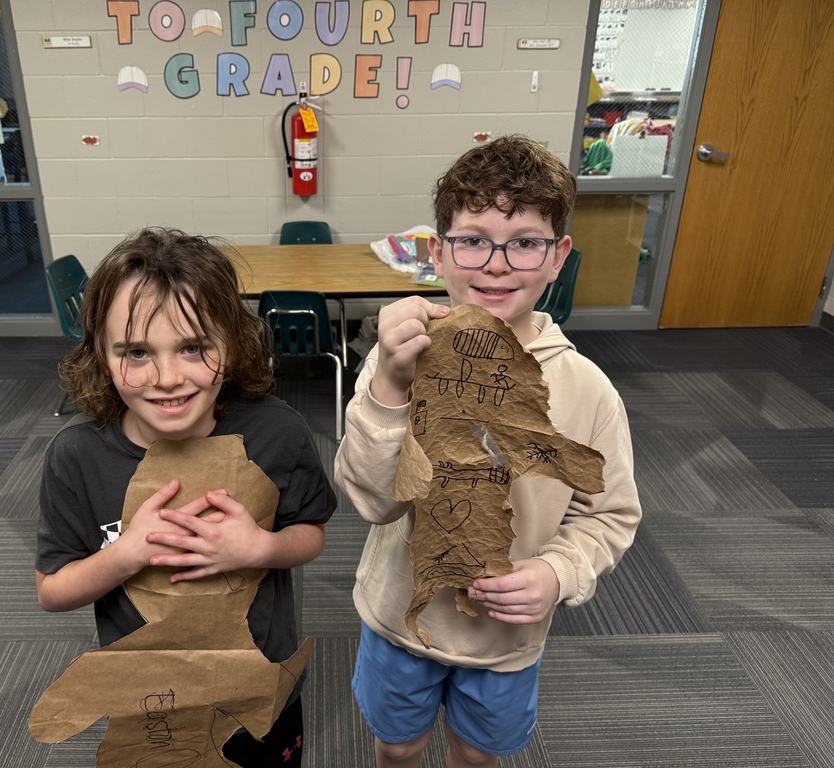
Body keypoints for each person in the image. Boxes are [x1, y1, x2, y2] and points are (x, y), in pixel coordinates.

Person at [334, 135, 641, 768]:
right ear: (438, 254)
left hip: (505, 639)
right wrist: (391, 385)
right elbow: (370, 501)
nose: (497, 264)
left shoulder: (586, 391)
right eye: (473, 239)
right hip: (401, 621)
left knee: (478, 757)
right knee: (398, 746)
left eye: (525, 242)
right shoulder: (400, 360)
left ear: (557, 258)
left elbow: (609, 514)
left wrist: (560, 573)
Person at [35, 227, 336, 767]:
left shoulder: (275, 433)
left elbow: (310, 531)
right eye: (136, 352)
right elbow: (54, 591)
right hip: (152, 699)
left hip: (259, 688)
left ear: (232, 344)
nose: (168, 378)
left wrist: (261, 550)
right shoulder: (77, 458)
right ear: (102, 356)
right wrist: (126, 554)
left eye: (194, 347)